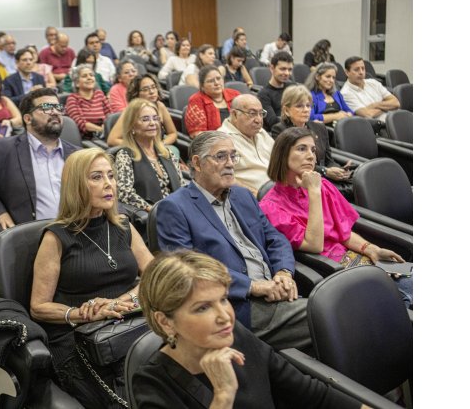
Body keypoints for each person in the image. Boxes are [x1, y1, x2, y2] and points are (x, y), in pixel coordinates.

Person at [133, 250, 365, 409]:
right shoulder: (153, 383)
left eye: (223, 299)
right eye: (203, 308)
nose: (225, 317)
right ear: (165, 321)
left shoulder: (238, 336)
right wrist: (223, 397)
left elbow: (314, 396)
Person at [155, 131, 311, 350]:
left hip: (276, 291)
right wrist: (253, 286)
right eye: (221, 157)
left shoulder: (242, 195)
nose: (230, 164)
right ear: (198, 163)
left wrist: (283, 272)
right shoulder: (174, 208)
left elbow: (275, 238)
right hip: (235, 306)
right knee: (327, 317)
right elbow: (188, 270)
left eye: (233, 156)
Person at [30, 147, 154, 409]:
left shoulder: (122, 225)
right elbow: (39, 307)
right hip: (79, 338)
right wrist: (85, 313)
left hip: (130, 323)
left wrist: (119, 302)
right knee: (126, 401)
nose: (108, 184)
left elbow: (155, 277)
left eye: (110, 175)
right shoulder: (56, 237)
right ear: (76, 185)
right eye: (96, 177)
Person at [259, 127, 412, 308]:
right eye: (302, 149)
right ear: (282, 155)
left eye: (313, 150)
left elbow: (344, 232)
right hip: (331, 273)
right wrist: (314, 193)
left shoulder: (322, 185)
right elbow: (315, 245)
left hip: (356, 260)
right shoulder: (271, 206)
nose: (311, 156)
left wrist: (371, 249)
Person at [0, 88, 80, 231]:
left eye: (58, 107)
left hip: (76, 232)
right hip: (33, 237)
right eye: (46, 107)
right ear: (28, 119)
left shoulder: (76, 154)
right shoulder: (3, 150)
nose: (55, 112)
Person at [270, 85, 353, 198]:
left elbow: (328, 159)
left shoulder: (319, 128)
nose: (306, 110)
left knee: (360, 182)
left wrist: (339, 170)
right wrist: (325, 171)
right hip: (300, 181)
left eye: (308, 106)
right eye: (299, 106)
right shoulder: (280, 130)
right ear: (287, 110)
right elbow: (290, 164)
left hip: (325, 177)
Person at [114, 99, 185, 212]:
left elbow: (181, 184)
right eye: (145, 119)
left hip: (178, 210)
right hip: (153, 216)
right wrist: (151, 210)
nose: (152, 123)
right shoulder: (126, 155)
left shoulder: (166, 152)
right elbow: (124, 193)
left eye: (155, 118)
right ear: (132, 126)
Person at [217, 95, 273, 195]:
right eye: (252, 114)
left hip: (279, 191)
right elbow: (223, 177)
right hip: (254, 197)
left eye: (261, 114)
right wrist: (254, 195)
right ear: (234, 115)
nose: (259, 120)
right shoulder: (222, 140)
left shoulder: (261, 132)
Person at [107, 74, 177, 149]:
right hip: (138, 153)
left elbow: (173, 133)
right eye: (145, 89)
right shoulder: (131, 111)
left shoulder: (160, 106)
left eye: (154, 87)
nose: (151, 91)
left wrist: (161, 144)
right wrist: (140, 147)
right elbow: (112, 140)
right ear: (136, 94)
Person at [185, 65, 241, 138]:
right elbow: (198, 134)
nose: (216, 83)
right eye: (211, 81)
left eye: (218, 78)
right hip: (216, 143)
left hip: (241, 137)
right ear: (202, 86)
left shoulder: (235, 95)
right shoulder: (197, 100)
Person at [340, 56, 400, 123]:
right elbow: (368, 114)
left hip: (394, 120)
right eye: (356, 69)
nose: (361, 72)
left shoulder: (373, 83)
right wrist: (387, 106)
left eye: (363, 68)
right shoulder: (345, 93)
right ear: (347, 72)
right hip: (378, 127)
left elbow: (396, 103)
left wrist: (375, 105)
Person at [64, 64, 112, 139]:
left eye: (91, 75)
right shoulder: (73, 99)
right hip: (85, 139)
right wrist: (101, 130)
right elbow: (81, 124)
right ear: (77, 83)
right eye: (84, 76)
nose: (89, 78)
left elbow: (109, 115)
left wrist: (106, 126)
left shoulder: (99, 94)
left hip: (104, 135)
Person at [305, 62, 353, 126]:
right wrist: (335, 116)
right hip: (322, 130)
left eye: (333, 77)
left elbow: (350, 111)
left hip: (341, 128)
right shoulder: (310, 95)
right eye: (328, 76)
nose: (331, 80)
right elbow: (310, 117)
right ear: (317, 77)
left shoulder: (337, 94)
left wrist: (348, 115)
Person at [258, 51, 294, 132]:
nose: (287, 73)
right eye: (283, 69)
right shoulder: (263, 94)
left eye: (290, 69)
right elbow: (274, 123)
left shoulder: (292, 87)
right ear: (272, 68)